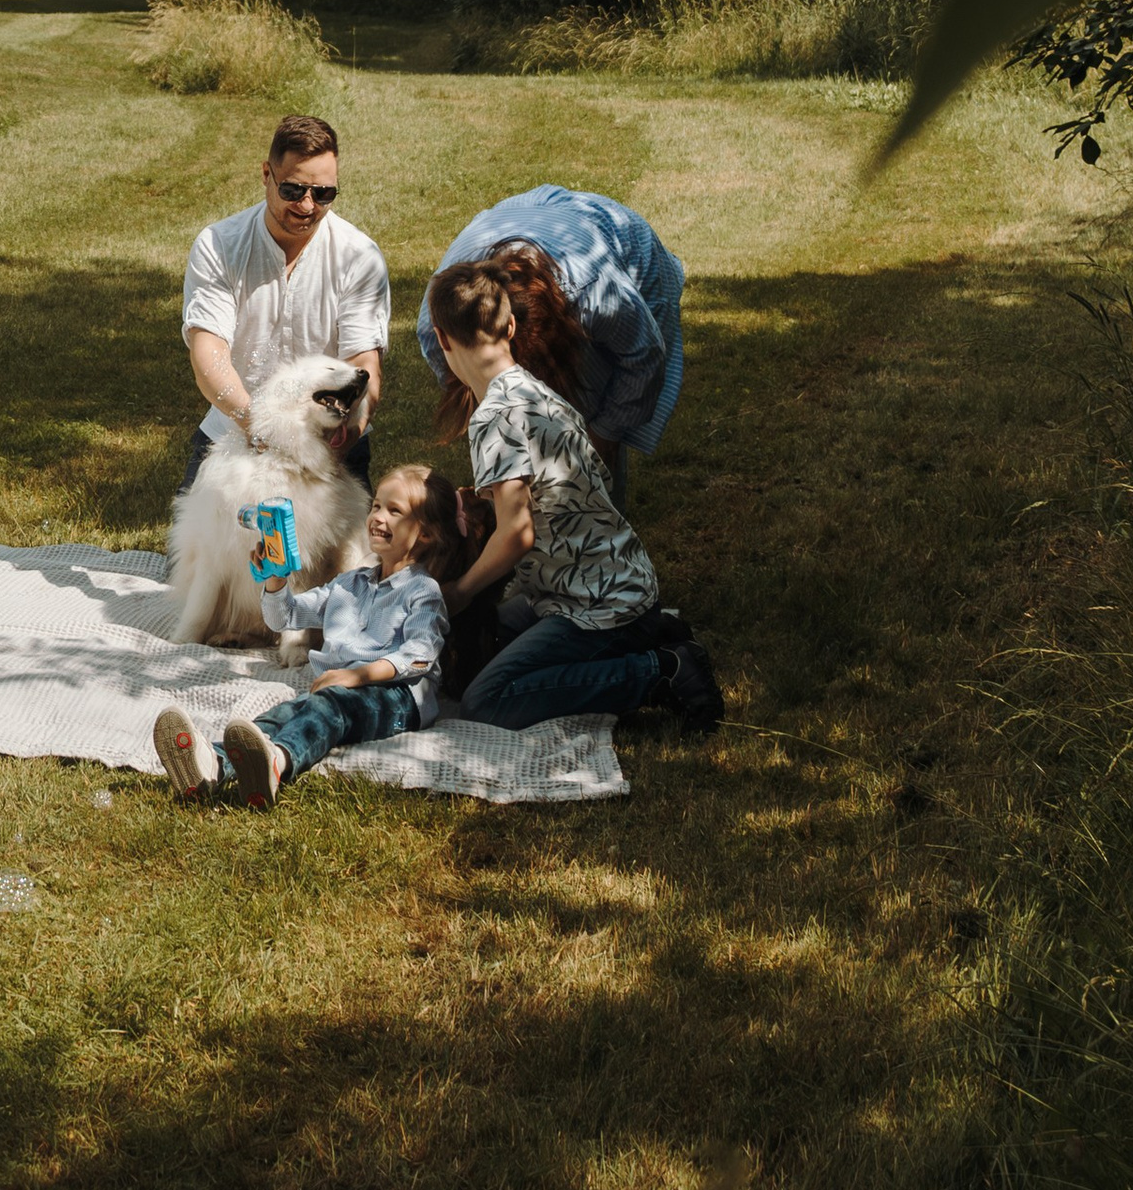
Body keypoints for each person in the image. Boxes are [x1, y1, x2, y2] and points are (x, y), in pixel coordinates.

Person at [428, 260, 721, 735]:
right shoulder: (538, 393)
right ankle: (646, 637)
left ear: (442, 339)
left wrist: (461, 590)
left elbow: (517, 534)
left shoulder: (494, 418)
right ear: (511, 325)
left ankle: (661, 672)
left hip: (596, 608)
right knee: (492, 639)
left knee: (486, 700)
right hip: (604, 585)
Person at [152, 462, 454, 804]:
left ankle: (278, 762)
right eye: (376, 506)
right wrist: (276, 578)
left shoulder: (421, 590)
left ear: (425, 533)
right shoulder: (350, 583)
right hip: (339, 688)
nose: (378, 517)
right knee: (280, 716)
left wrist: (356, 676)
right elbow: (285, 617)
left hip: (397, 697)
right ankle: (211, 764)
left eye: (394, 511)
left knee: (327, 713)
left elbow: (419, 656)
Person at [417, 186, 686, 500]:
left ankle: (604, 506)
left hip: (617, 241)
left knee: (591, 414)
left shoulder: (597, 293)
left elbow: (643, 358)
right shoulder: (439, 316)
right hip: (525, 216)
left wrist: (601, 439)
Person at [179, 114, 388, 491]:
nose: (308, 206)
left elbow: (362, 363)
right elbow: (208, 356)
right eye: (293, 190)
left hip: (331, 445)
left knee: (353, 552)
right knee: (196, 552)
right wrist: (262, 427)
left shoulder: (359, 256)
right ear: (266, 175)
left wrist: (351, 429)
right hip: (234, 436)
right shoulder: (219, 246)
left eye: (323, 194)